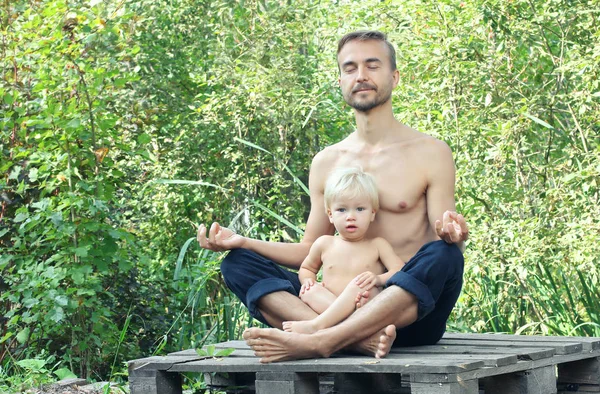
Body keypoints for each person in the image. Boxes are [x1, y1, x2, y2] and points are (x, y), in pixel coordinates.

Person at [197, 30, 469, 363]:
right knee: (238, 264)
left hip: (406, 316)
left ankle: (323, 340)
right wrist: (242, 242)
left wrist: (454, 234)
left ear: (394, 76)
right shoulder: (327, 161)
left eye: (372, 65)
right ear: (340, 79)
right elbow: (307, 253)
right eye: (350, 67)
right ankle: (353, 340)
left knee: (446, 255)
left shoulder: (431, 152)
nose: (361, 76)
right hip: (333, 304)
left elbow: (447, 237)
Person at [283, 167, 405, 334]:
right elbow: (307, 269)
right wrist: (308, 281)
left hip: (363, 303)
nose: (350, 216)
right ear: (330, 215)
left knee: (361, 287)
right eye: (342, 209)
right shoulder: (324, 243)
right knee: (309, 292)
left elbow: (398, 269)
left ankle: (317, 326)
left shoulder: (377, 245)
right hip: (328, 303)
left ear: (372, 214)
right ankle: (349, 326)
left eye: (360, 209)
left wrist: (377, 279)